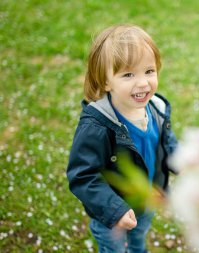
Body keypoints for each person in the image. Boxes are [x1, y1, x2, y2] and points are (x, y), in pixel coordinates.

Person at [66, 24, 178, 253]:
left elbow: (167, 143)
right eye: (128, 74)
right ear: (106, 82)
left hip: (145, 200)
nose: (143, 83)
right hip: (111, 214)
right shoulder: (98, 125)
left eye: (149, 71)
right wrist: (114, 210)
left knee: (138, 240)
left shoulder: (156, 109)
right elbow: (83, 175)